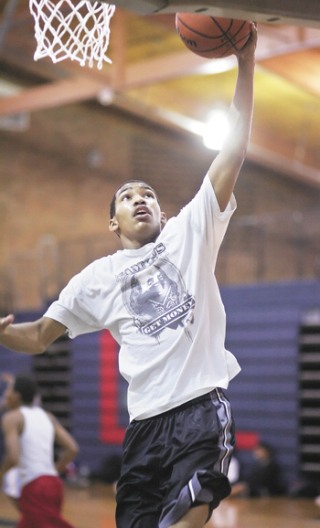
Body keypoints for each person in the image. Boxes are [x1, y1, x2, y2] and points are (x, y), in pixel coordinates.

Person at [0, 22, 257, 528]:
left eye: (149, 194)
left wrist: (245, 64)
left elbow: (233, 152)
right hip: (143, 429)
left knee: (188, 513)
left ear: (162, 212)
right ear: (111, 221)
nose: (141, 198)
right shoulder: (96, 279)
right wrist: (5, 334)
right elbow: (40, 336)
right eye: (127, 195)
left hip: (199, 409)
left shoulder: (190, 231)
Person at [0, 374, 79, 528]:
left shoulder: (11, 418)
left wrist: (1, 474)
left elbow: (14, 457)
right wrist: (54, 471)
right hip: (54, 484)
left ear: (17, 395)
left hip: (35, 487)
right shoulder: (47, 416)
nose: (5, 394)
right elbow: (72, 448)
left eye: (8, 390)